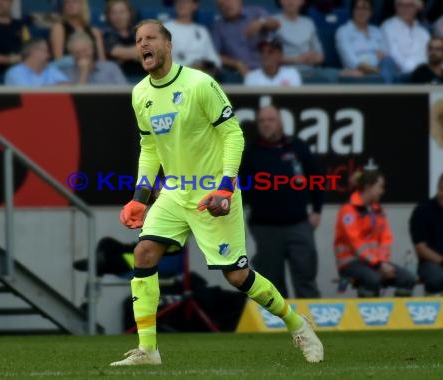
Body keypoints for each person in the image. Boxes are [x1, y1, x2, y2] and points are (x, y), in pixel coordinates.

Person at [110, 19, 323, 366]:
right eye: (138, 40)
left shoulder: (199, 83)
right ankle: (148, 350)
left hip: (213, 194)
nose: (143, 44)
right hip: (175, 193)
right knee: (145, 252)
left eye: (150, 38)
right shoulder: (140, 94)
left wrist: (225, 187)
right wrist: (140, 196)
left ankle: (297, 324)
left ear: (168, 45)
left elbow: (233, 135)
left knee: (236, 275)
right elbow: (149, 148)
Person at [239, 105, 322, 298]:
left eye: (271, 120)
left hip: (299, 224)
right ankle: (279, 324)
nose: (266, 124)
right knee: (272, 283)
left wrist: (317, 211)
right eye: (261, 121)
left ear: (281, 123)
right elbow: (239, 189)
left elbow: (317, 179)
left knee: (306, 276)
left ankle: (311, 324)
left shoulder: (298, 146)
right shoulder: (250, 152)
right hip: (264, 227)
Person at [334, 170, 416, 297]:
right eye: (380, 187)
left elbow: (386, 239)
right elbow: (355, 243)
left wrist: (383, 263)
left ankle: (398, 316)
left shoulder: (378, 211)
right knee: (372, 280)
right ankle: (367, 316)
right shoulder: (348, 211)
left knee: (408, 279)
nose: (382, 191)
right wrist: (379, 265)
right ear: (368, 187)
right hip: (350, 264)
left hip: (375, 263)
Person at [212, 0, 280, 80]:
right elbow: (214, 55)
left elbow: (276, 24)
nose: (227, 5)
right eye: (222, 4)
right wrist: (236, 64)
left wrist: (262, 23)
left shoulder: (256, 12)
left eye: (229, 1)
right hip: (240, 73)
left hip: (266, 68)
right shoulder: (218, 27)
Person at [336, 0, 397, 83]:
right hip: (357, 73)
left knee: (388, 61)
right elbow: (351, 62)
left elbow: (385, 55)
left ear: (371, 12)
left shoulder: (377, 31)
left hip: (380, 72)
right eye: (358, 8)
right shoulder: (343, 32)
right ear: (352, 11)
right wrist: (377, 70)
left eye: (365, 9)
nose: (361, 12)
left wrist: (380, 68)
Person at [163, 0, 221, 78]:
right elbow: (161, 59)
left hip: (202, 77)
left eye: (185, 2)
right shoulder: (165, 28)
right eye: (178, 1)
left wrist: (204, 66)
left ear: (195, 5)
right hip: (176, 77)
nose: (181, 4)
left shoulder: (202, 30)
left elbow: (215, 60)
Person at [273, 0, 324, 74]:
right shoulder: (272, 22)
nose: (290, 1)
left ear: (302, 2)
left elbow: (320, 56)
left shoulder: (308, 23)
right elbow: (269, 57)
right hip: (285, 72)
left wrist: (313, 58)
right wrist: (296, 59)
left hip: (310, 71)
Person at [380, 0, 430, 75]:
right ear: (395, 7)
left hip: (425, 74)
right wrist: (418, 71)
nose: (405, 9)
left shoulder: (423, 32)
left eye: (409, 5)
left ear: (416, 8)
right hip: (403, 76)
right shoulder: (388, 27)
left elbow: (430, 55)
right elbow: (393, 55)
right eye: (400, 5)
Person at [60, 31, 127, 85]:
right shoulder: (66, 74)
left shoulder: (111, 68)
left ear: (92, 49)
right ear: (72, 55)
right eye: (77, 52)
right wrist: (83, 73)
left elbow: (125, 93)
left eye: (84, 51)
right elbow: (74, 99)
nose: (82, 55)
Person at [4, 38, 69, 86]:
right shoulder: (15, 72)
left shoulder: (51, 70)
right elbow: (29, 95)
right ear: (34, 52)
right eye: (46, 51)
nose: (49, 56)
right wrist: (55, 86)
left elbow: (66, 87)